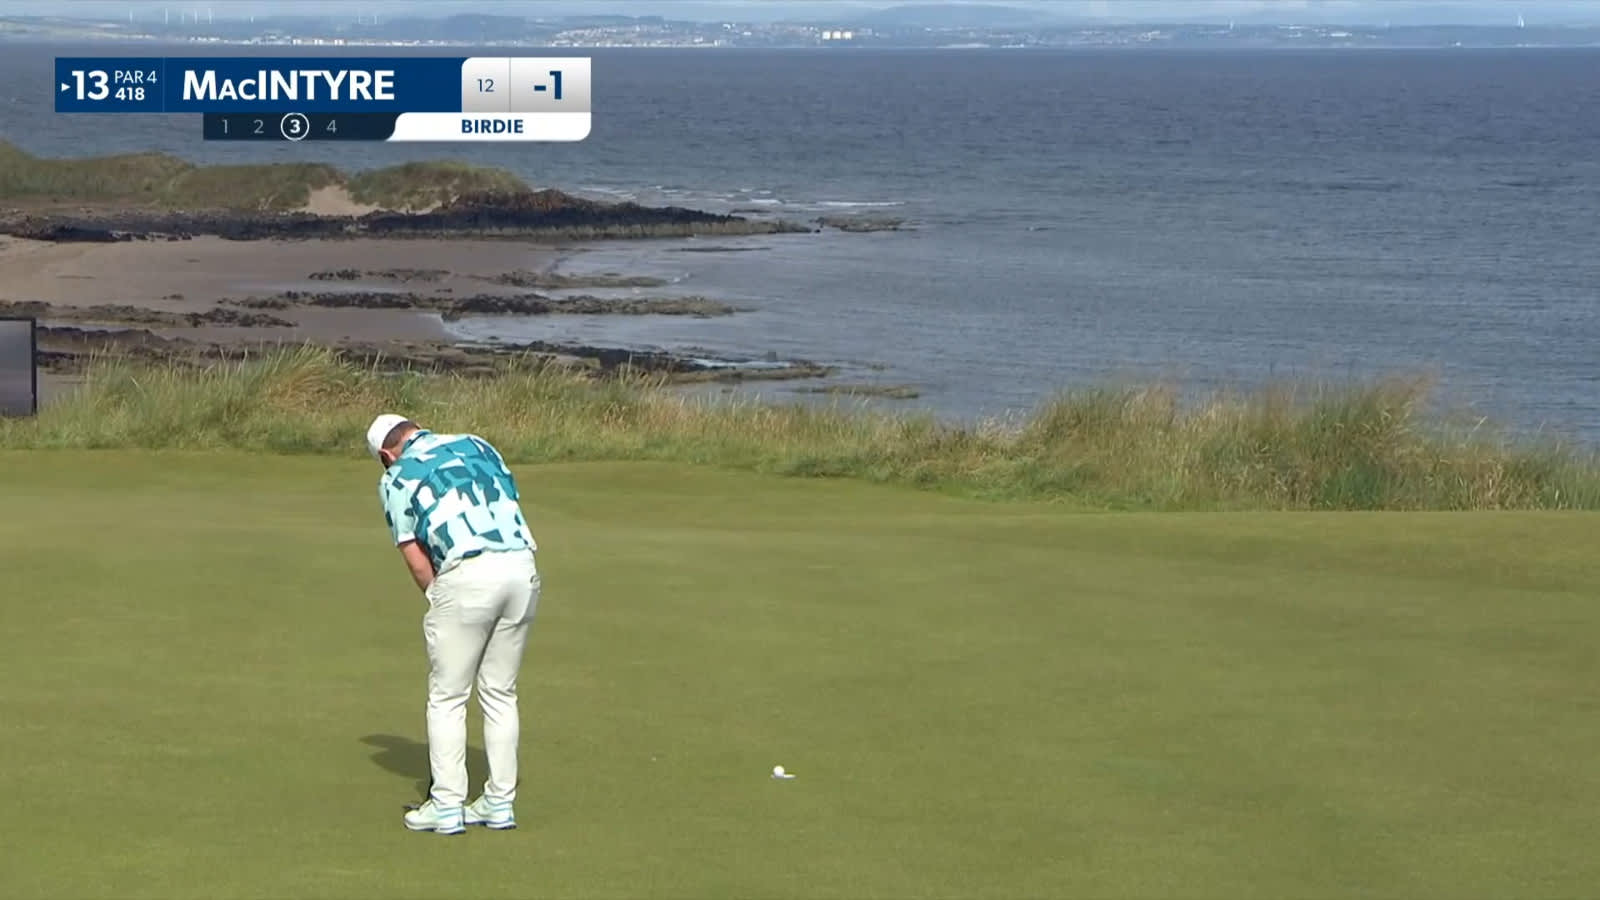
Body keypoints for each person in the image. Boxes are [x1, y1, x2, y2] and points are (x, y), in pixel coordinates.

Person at [365, 413, 541, 835]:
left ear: (387, 455)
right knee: (500, 692)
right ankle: (499, 803)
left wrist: (437, 598)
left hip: (467, 574)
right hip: (523, 567)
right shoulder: (479, 442)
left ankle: (446, 805)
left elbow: (414, 555)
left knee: (448, 696)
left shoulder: (395, 477)